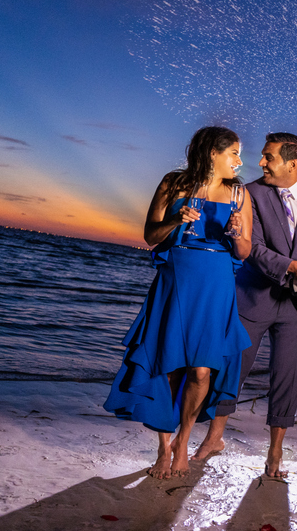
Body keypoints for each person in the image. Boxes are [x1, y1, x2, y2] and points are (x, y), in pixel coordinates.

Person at [193, 132, 297, 478]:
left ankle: (275, 452)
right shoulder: (250, 193)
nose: (261, 163)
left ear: (292, 163)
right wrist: (289, 267)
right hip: (254, 297)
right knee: (230, 371)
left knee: (288, 378)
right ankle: (214, 438)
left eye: (269, 157)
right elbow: (250, 246)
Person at [104, 126, 253, 479]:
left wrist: (234, 234)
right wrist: (175, 219)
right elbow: (150, 236)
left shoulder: (238, 193)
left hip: (216, 281)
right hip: (176, 279)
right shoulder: (173, 183)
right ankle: (163, 446)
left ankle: (184, 441)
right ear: (213, 153)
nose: (239, 160)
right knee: (169, 365)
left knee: (202, 370)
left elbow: (245, 250)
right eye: (234, 152)